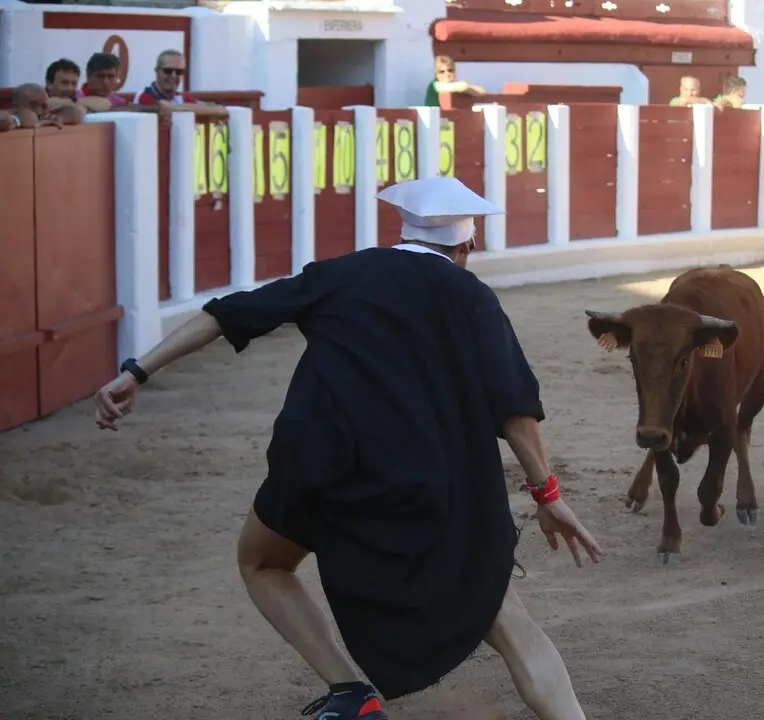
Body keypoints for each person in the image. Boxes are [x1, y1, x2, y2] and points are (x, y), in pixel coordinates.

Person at [92, 176, 603, 720]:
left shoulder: (343, 273)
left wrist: (137, 371)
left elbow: (226, 312)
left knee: (263, 562)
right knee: (502, 611)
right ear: (466, 246)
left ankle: (350, 692)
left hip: (321, 465)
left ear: (401, 233)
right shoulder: (472, 296)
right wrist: (547, 494)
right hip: (426, 481)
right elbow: (514, 408)